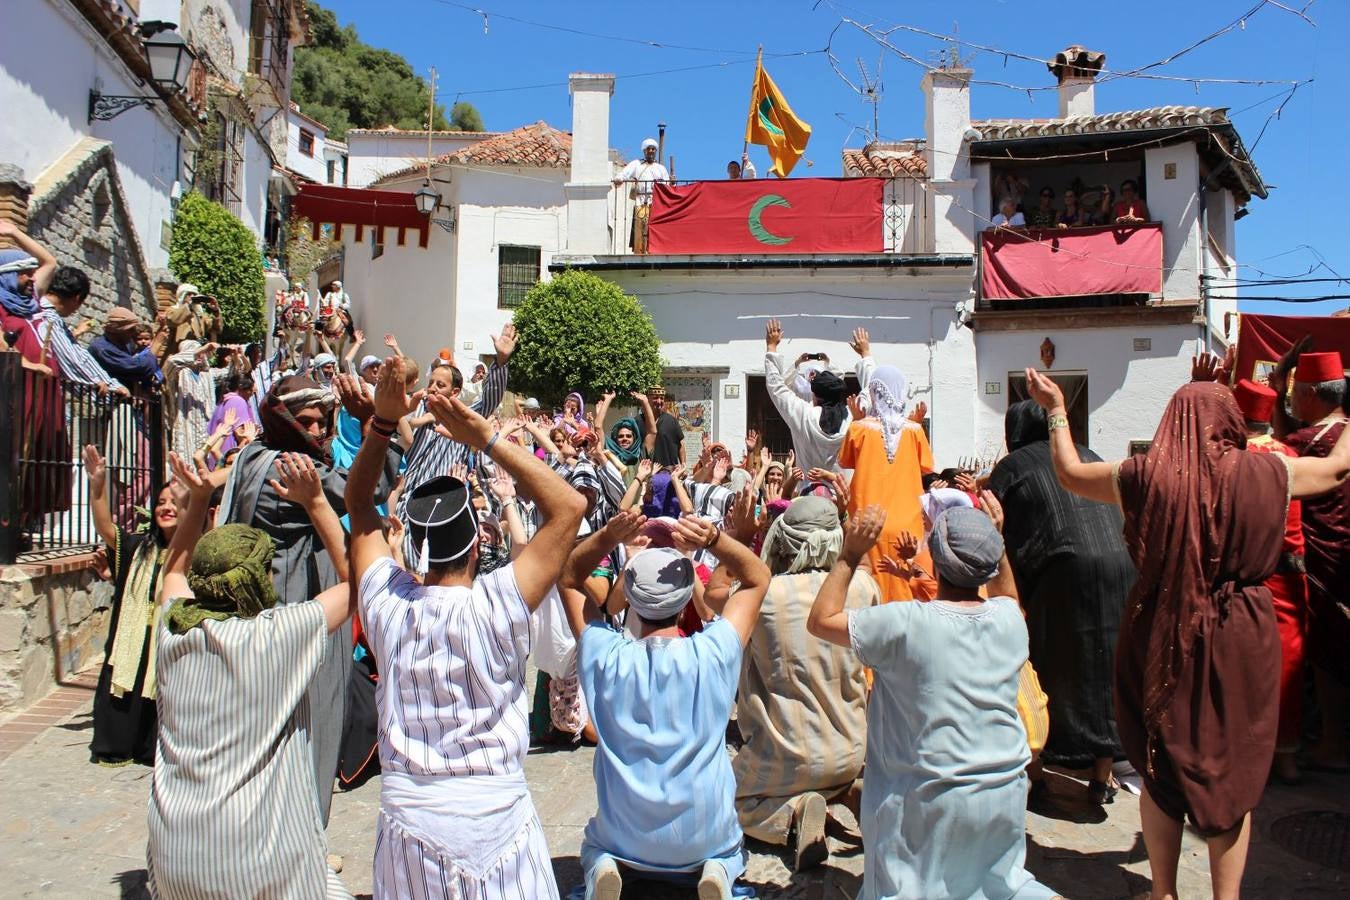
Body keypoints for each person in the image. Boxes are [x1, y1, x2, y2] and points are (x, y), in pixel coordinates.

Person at [1022, 368, 1350, 900]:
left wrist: (1056, 407)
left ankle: (1165, 892)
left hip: (1159, 624)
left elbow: (1067, 472)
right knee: (1233, 766)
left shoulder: (1143, 477)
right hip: (1241, 631)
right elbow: (1336, 470)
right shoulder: (1269, 473)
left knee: (1160, 759)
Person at [348, 356, 586, 898]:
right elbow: (568, 507)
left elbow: (359, 505)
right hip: (499, 819)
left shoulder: (387, 605)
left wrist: (383, 423)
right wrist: (486, 438)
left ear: (409, 541)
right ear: (480, 544)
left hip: (410, 824)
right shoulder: (499, 602)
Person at [807, 503, 1058, 900]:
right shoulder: (1010, 621)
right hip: (1003, 790)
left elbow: (821, 620)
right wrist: (997, 540)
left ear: (936, 563)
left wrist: (851, 553)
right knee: (1001, 886)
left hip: (923, 799)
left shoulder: (906, 623)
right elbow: (1007, 594)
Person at [147, 451, 355, 899]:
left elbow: (174, 570)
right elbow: (359, 582)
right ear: (260, 579)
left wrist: (199, 499)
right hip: (260, 858)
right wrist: (317, 502)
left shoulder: (172, 628)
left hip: (173, 854)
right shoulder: (279, 635)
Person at [214, 373, 402, 827]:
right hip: (297, 609)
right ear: (283, 420)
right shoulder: (288, 468)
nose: (318, 431)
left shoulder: (255, 455)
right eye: (307, 421)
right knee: (309, 725)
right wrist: (377, 424)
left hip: (279, 609)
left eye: (323, 421)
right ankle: (300, 839)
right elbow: (370, 491)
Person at [574, 512, 772, 899]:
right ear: (685, 602)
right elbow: (758, 577)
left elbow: (568, 576)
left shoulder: (604, 652)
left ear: (629, 596)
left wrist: (609, 538)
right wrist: (714, 538)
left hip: (624, 834)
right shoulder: (714, 651)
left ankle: (604, 867)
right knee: (729, 849)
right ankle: (717, 867)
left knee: (594, 847)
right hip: (704, 832)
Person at [989, 399, 1132, 802]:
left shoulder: (1012, 467)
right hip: (1121, 566)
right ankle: (1102, 777)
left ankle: (1036, 773)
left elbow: (994, 530)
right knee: (1105, 664)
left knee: (1041, 666)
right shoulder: (1087, 455)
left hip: (1061, 571)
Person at [734, 495, 876, 870]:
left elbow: (715, 597)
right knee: (832, 769)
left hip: (784, 757)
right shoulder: (863, 588)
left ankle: (793, 816)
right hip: (852, 749)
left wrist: (738, 536)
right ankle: (846, 793)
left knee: (722, 799)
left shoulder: (762, 595)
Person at [1230, 377, 1309, 783]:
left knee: (1243, 669)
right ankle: (1286, 756)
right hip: (1291, 576)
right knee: (1287, 668)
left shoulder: (1234, 461)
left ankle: (1247, 752)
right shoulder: (1289, 456)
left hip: (1247, 576)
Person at [394, 325, 516, 570]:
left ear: (455, 392)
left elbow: (489, 401)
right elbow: (398, 425)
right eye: (431, 383)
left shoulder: (462, 417)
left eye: (441, 385)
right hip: (408, 507)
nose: (433, 389)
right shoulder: (415, 409)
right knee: (404, 572)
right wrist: (421, 419)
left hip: (444, 510)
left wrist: (501, 361)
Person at [1280, 350, 1350, 772]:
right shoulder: (1334, 436)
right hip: (1342, 554)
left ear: (1310, 394)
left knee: (1326, 656)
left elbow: (1281, 440)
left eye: (1295, 394)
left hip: (1323, 559)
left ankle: (1331, 743)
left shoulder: (1307, 445)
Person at [82, 445, 173, 767]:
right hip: (131, 640)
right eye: (161, 502)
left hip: (165, 641)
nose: (166, 507)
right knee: (125, 689)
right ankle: (117, 745)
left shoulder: (190, 551)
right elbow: (106, 526)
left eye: (174, 502)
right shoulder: (137, 547)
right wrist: (97, 485)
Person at [838, 364, 934, 600]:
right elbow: (927, 467)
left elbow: (845, 461)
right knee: (904, 581)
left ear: (873, 392)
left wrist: (857, 420)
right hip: (907, 521)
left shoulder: (859, 428)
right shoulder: (914, 430)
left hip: (867, 520)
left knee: (867, 583)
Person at [764, 320, 875, 474]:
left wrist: (771, 347)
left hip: (809, 493)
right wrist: (865, 354)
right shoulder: (853, 416)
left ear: (814, 394)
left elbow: (776, 387)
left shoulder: (804, 414)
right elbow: (872, 390)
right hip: (844, 493)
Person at [31, 266, 129, 395]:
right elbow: (70, 358)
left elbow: (79, 353)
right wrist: (107, 388)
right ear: (77, 298)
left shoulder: (48, 316)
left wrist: (110, 383)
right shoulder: (47, 318)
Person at [613, 138, 671, 253]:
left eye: (653, 149)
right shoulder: (636, 164)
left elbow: (667, 185)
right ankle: (639, 252)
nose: (651, 151)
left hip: (656, 203)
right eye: (648, 149)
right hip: (641, 201)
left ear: (655, 151)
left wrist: (671, 183)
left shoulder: (661, 168)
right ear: (644, 151)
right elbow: (625, 174)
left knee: (654, 228)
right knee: (640, 226)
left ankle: (653, 250)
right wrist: (619, 179)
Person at [90, 307, 163, 391]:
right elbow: (139, 369)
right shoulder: (103, 349)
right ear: (118, 330)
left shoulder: (122, 344)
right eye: (131, 330)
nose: (133, 334)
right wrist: (156, 345)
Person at [205, 370, 260, 464]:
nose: (252, 394)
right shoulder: (238, 401)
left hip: (217, 456)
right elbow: (241, 434)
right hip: (230, 459)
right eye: (250, 391)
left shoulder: (223, 402)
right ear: (242, 388)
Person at [636, 386, 685, 467]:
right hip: (647, 472)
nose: (659, 401)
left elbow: (681, 445)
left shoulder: (672, 421)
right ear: (647, 399)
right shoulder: (637, 421)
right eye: (655, 398)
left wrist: (683, 464)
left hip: (669, 472)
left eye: (662, 398)